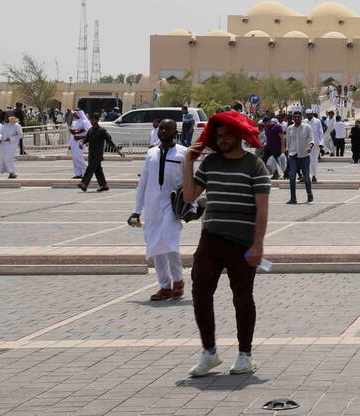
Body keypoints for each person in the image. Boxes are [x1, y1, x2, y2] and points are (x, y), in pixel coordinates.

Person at [183, 111, 270, 377]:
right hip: (210, 239)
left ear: (238, 135)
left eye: (226, 135)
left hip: (242, 242)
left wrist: (258, 245)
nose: (221, 141)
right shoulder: (210, 164)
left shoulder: (255, 166)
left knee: (242, 298)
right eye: (217, 136)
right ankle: (209, 353)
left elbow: (262, 210)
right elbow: (189, 195)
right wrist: (189, 161)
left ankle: (245, 355)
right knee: (200, 292)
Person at [130, 119, 188, 300]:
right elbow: (144, 182)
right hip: (152, 205)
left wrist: (191, 206)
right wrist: (137, 210)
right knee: (155, 246)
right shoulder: (151, 153)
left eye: (167, 128)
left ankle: (178, 281)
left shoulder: (184, 153)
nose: (163, 131)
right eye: (161, 128)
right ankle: (164, 286)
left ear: (175, 132)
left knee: (169, 243)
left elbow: (190, 181)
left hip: (172, 205)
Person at [78, 112, 124, 192]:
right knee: (98, 170)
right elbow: (86, 139)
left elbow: (110, 142)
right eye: (90, 120)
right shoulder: (90, 130)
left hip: (98, 154)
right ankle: (104, 185)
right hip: (91, 153)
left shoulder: (102, 130)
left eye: (93, 120)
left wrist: (119, 152)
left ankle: (84, 183)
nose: (91, 122)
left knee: (90, 168)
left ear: (97, 120)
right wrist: (81, 143)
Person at [284, 110, 314, 204]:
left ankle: (309, 194)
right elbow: (288, 143)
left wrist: (310, 147)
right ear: (293, 118)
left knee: (306, 178)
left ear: (301, 117)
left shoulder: (307, 127)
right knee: (292, 176)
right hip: (293, 156)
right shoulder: (289, 129)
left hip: (304, 155)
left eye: (298, 117)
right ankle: (293, 198)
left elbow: (311, 139)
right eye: (295, 117)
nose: (296, 118)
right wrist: (287, 156)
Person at [70, 110, 91, 178]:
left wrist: (81, 137)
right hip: (74, 142)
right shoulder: (77, 122)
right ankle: (78, 174)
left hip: (80, 142)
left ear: (79, 114)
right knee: (74, 158)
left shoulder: (84, 122)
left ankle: (86, 170)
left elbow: (89, 132)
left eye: (75, 114)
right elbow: (73, 134)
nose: (74, 115)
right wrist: (70, 144)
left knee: (77, 156)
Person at [306, 110, 323, 182]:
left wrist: (321, 143)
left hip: (316, 143)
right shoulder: (304, 121)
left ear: (312, 114)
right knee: (307, 160)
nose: (309, 115)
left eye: (310, 114)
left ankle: (314, 175)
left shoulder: (317, 121)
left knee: (314, 160)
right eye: (307, 114)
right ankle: (307, 175)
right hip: (306, 143)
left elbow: (321, 132)